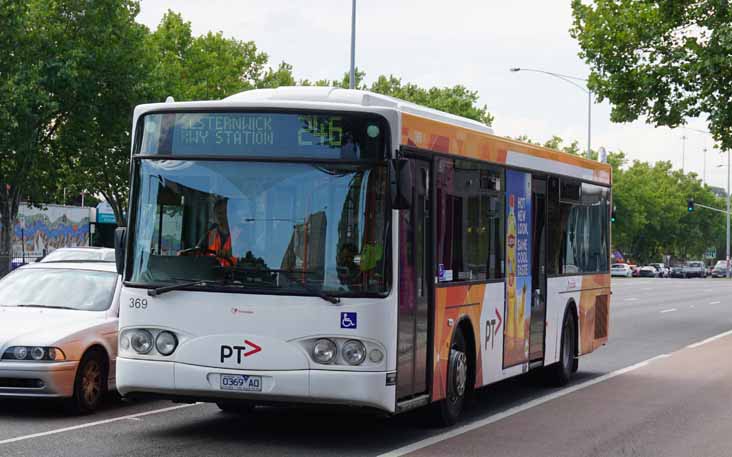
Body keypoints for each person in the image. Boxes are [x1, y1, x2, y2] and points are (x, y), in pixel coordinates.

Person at [200, 198, 237, 266]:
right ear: (214, 215)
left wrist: (229, 253)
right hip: (212, 273)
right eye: (218, 213)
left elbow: (243, 252)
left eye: (225, 212)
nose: (220, 216)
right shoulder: (211, 233)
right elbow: (199, 250)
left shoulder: (240, 233)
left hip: (234, 273)